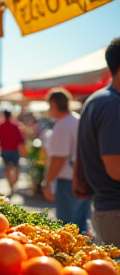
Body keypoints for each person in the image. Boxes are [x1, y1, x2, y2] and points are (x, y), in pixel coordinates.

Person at [74, 37, 120, 246]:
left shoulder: (98, 100)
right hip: (114, 211)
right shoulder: (111, 104)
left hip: (106, 208)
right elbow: (116, 168)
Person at [42, 87, 91, 233]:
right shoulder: (77, 119)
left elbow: (59, 158)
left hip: (68, 181)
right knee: (81, 226)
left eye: (49, 105)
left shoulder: (63, 124)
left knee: (67, 229)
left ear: (55, 103)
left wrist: (47, 183)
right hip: (84, 178)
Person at [0, 109, 25, 196]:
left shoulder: (0, 126)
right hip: (14, 150)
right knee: (16, 169)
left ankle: (11, 185)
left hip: (5, 150)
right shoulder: (16, 125)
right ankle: (13, 184)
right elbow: (21, 139)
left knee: (7, 169)